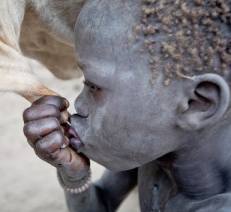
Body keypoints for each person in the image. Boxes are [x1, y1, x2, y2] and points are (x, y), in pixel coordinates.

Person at [23, 0, 231, 211]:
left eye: (94, 86)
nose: (77, 103)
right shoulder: (155, 149)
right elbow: (101, 204)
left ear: (197, 104)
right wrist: (74, 176)